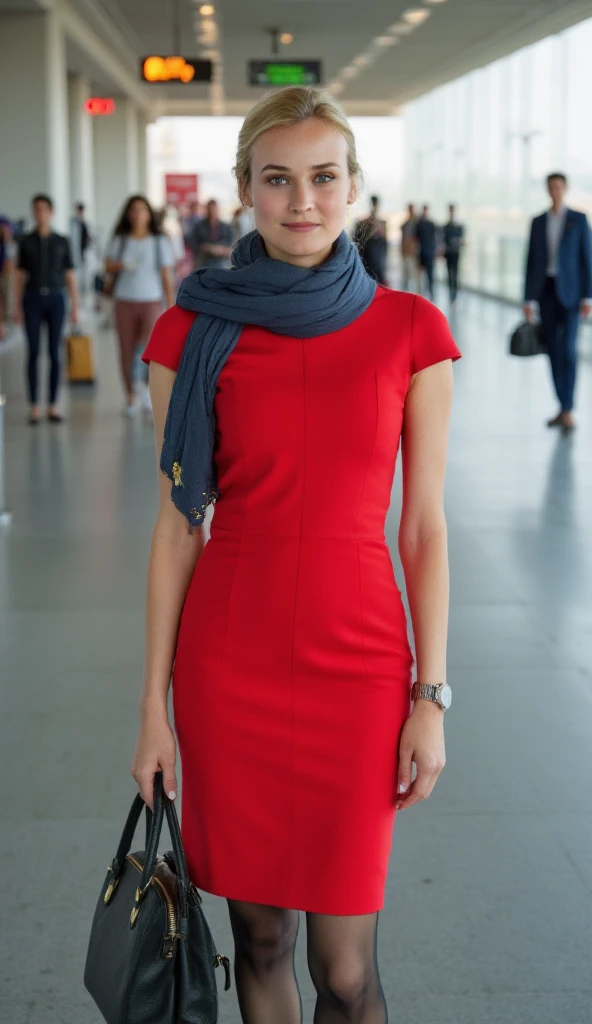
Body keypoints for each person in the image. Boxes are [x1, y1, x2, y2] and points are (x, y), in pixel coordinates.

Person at [132, 85, 460, 1024]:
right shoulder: (189, 334)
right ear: (245, 189)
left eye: (324, 177)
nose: (302, 200)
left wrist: (428, 698)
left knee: (347, 971)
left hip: (358, 665)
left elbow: (425, 530)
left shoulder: (411, 332)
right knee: (260, 941)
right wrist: (150, 709)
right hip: (230, 661)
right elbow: (174, 524)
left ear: (355, 187)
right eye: (279, 179)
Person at [524, 172, 592, 435]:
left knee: (569, 350)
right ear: (547, 190)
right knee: (553, 350)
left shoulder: (578, 219)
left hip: (573, 295)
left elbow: (587, 260)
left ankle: (568, 408)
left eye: (559, 187)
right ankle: (562, 407)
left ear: (566, 189)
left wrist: (588, 296)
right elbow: (531, 260)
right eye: (551, 187)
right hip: (546, 292)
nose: (555, 191)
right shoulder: (538, 222)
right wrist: (528, 297)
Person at [105, 195, 175, 417]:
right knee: (126, 349)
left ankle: (145, 389)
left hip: (151, 300)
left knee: (149, 350)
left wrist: (171, 306)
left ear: (149, 214)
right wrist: (120, 265)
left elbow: (166, 275)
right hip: (124, 300)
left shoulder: (159, 241)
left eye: (142, 210)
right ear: (128, 214)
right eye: (133, 210)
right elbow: (107, 265)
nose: (137, 214)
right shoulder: (120, 239)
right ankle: (130, 395)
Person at [13, 194, 79, 424]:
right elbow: (20, 275)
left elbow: (69, 274)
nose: (40, 213)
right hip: (32, 298)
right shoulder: (26, 241)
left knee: (54, 352)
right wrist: (16, 305)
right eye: (36, 209)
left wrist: (75, 305)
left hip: (56, 298)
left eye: (43, 209)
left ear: (51, 212)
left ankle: (53, 404)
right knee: (32, 351)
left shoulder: (61, 241)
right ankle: (34, 406)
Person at [187, 199, 234, 269]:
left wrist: (222, 249)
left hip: (222, 260)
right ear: (207, 210)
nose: (212, 212)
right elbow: (192, 242)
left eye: (214, 209)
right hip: (204, 260)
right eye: (210, 209)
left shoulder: (226, 227)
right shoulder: (199, 226)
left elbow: (231, 243)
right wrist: (204, 247)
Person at [352, 194, 388, 285]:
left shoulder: (381, 224)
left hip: (376, 261)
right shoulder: (363, 224)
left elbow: (385, 244)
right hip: (369, 260)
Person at [415, 204, 438, 300]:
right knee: (421, 275)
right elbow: (416, 238)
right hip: (422, 253)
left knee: (430, 275)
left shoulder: (431, 224)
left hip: (429, 253)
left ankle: (431, 293)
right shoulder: (419, 224)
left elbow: (434, 238)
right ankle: (422, 294)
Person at [442, 203, 464, 303]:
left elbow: (461, 240)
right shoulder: (446, 226)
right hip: (448, 253)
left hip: (456, 253)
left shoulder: (458, 226)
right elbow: (443, 239)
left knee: (455, 273)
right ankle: (451, 292)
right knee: (449, 273)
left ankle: (454, 293)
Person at [0, 216, 17, 340]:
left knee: (6, 296)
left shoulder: (4, 220)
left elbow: (10, 240)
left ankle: (3, 325)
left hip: (5, 267)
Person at [70, 202, 91, 294]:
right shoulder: (73, 222)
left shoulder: (84, 222)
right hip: (76, 251)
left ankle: (83, 289)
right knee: (77, 271)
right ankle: (77, 289)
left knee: (84, 271)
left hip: (84, 250)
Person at [401, 202, 419, 292]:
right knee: (406, 274)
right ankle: (406, 291)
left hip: (413, 253)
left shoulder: (417, 223)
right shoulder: (406, 224)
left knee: (414, 275)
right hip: (406, 252)